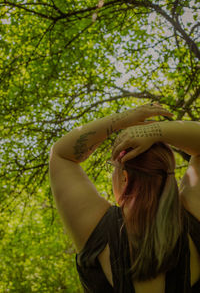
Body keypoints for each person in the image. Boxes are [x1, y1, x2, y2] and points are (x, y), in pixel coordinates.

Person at [49, 103, 200, 293]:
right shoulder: (194, 219)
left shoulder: (95, 230)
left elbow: (61, 154)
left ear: (124, 177)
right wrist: (156, 131)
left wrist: (122, 119)